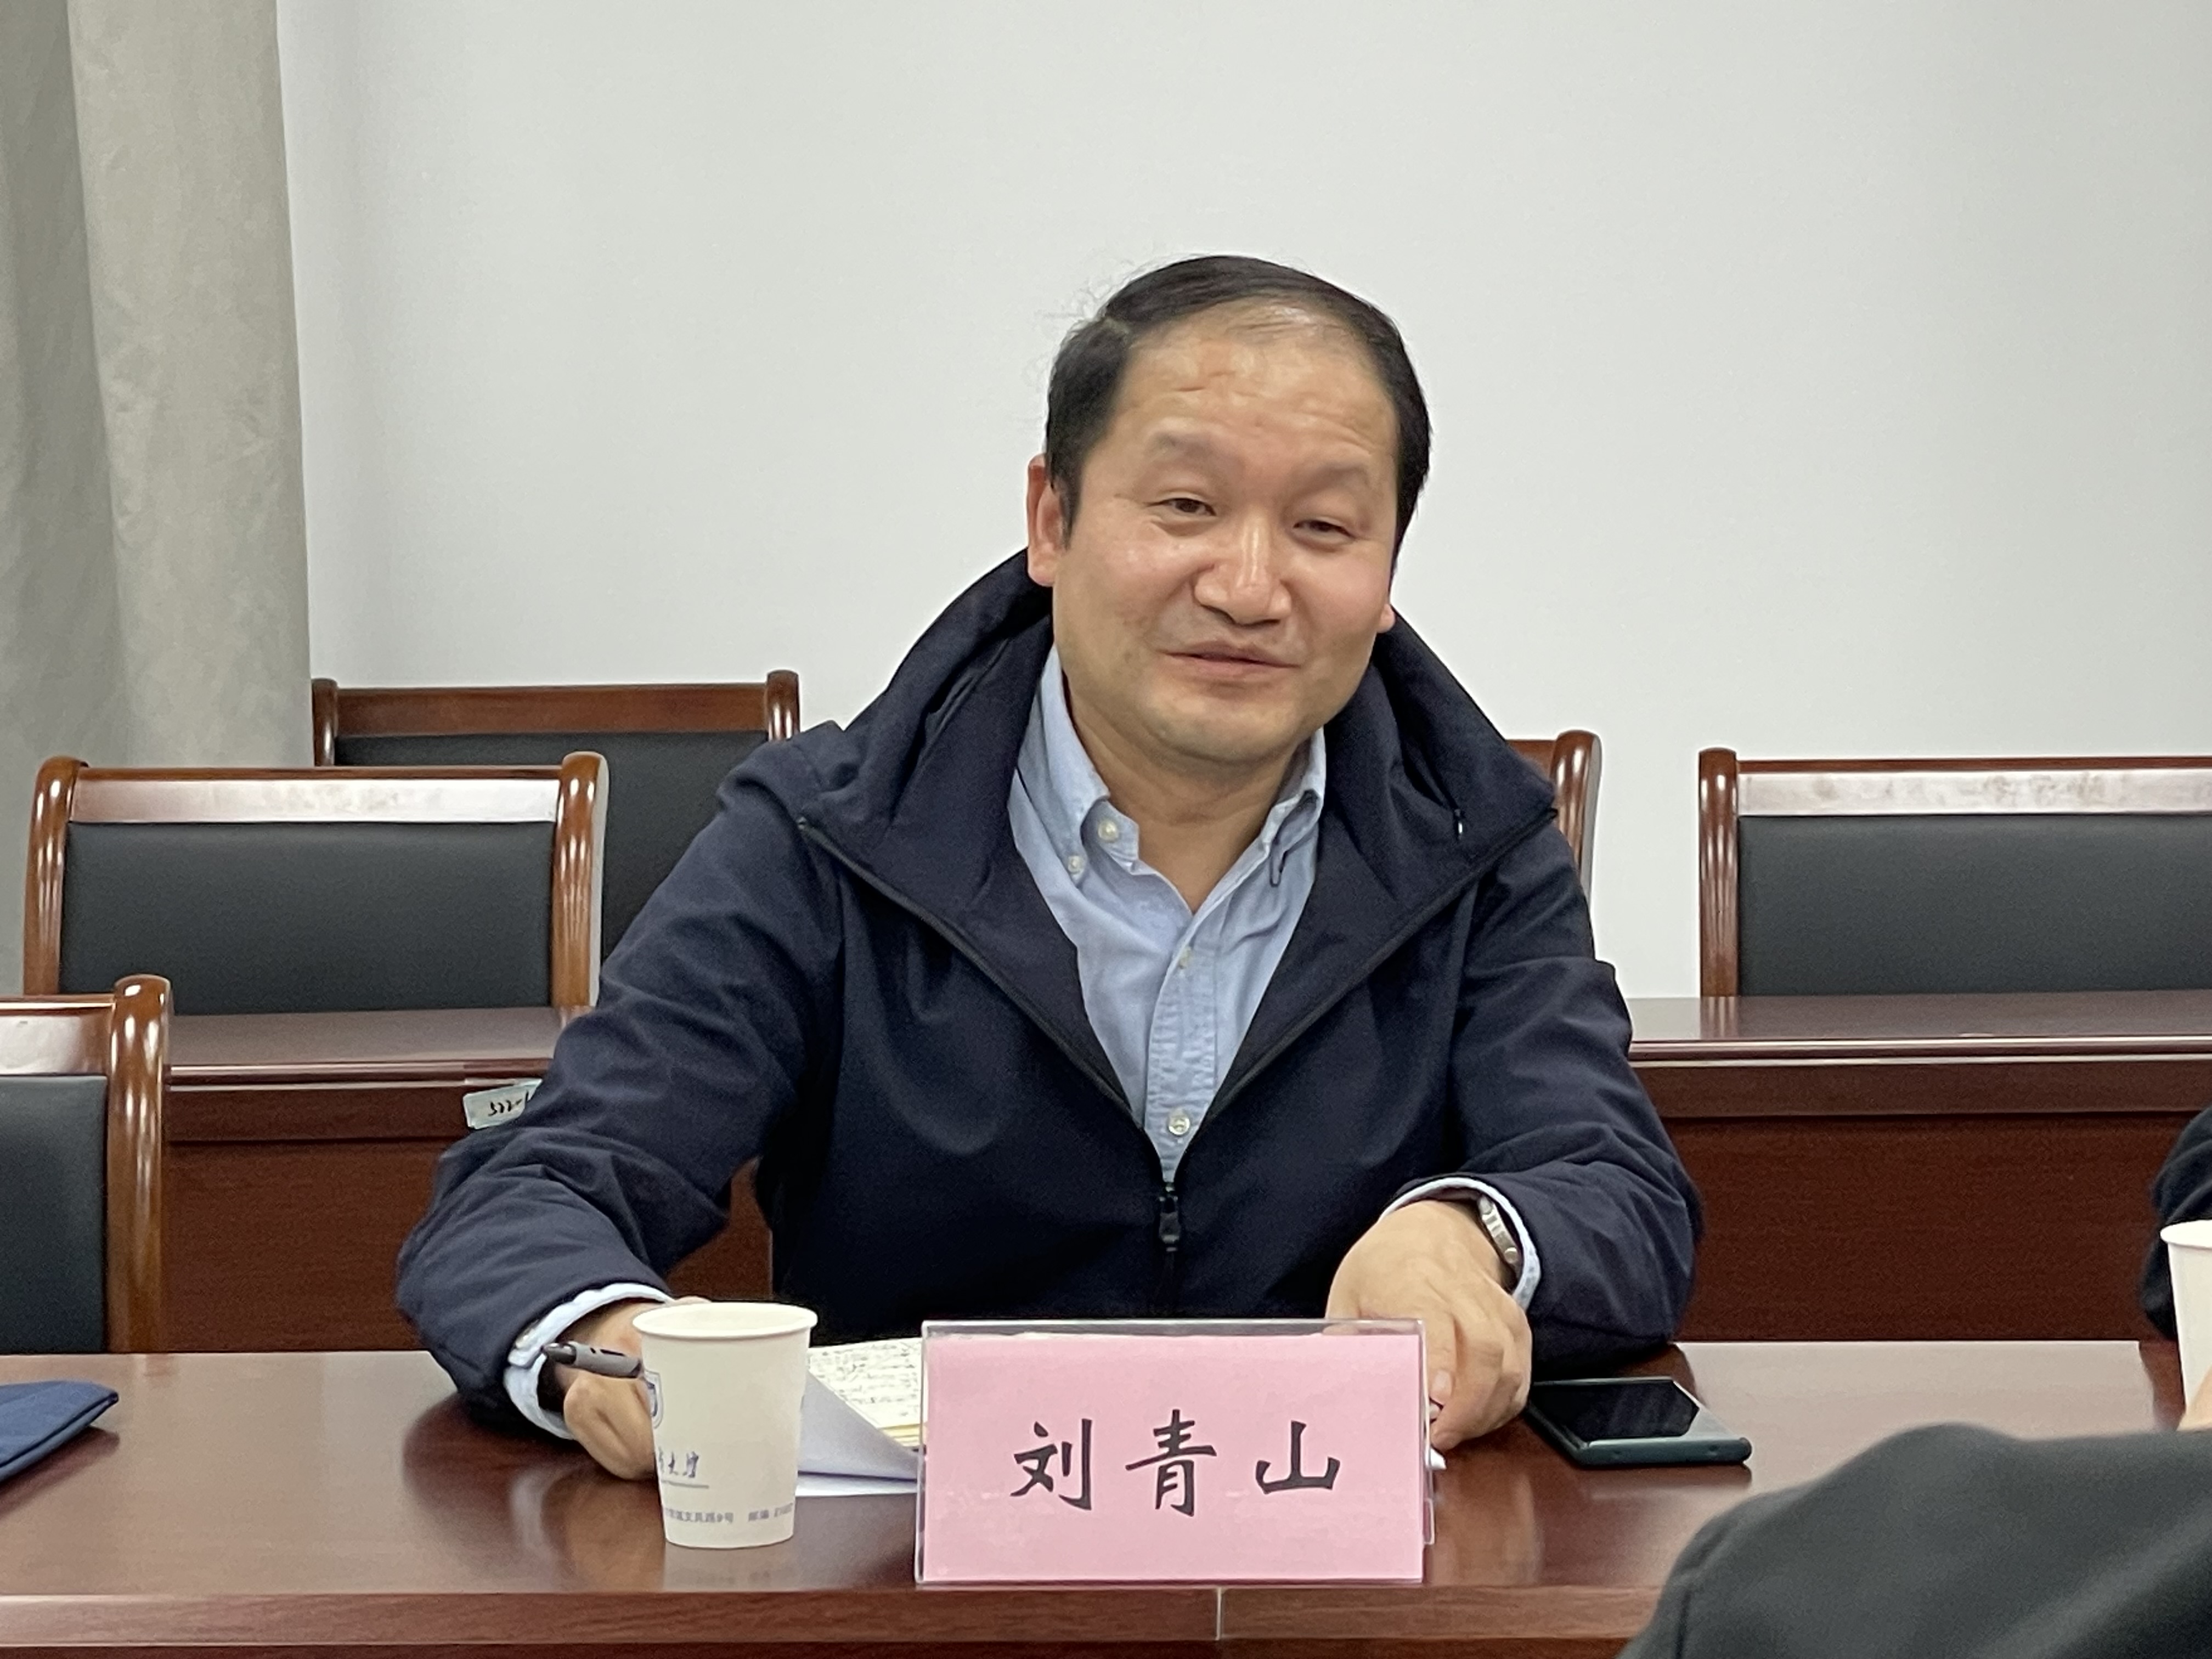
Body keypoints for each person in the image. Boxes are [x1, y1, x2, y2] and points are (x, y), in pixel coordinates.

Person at [397, 255, 1700, 1479]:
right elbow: (540, 1186)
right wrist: (604, 1343)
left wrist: (1470, 1235)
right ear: (1052, 519)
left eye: (1323, 525)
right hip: (917, 1563)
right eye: (1185, 507)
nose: (1250, 586)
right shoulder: (827, 836)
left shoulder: (1475, 844)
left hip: (1338, 1549)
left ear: (1388, 570)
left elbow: (1621, 1194)